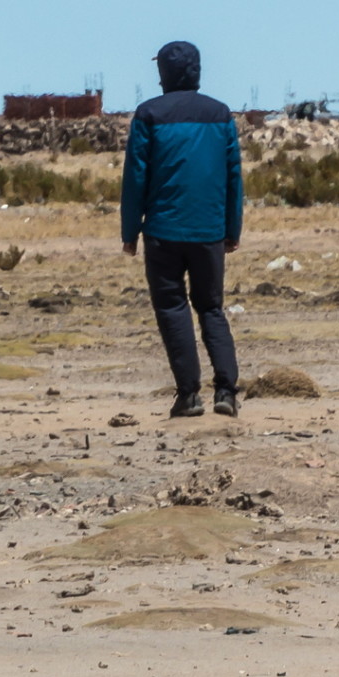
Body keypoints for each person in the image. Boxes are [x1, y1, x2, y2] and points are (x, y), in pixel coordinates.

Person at [120, 41, 244, 417]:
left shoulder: (148, 114)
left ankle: (189, 396)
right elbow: (233, 176)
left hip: (163, 232)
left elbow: (135, 178)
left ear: (164, 74)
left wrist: (130, 231)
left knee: (173, 309)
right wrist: (232, 228)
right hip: (208, 232)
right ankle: (226, 392)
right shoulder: (220, 114)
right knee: (211, 309)